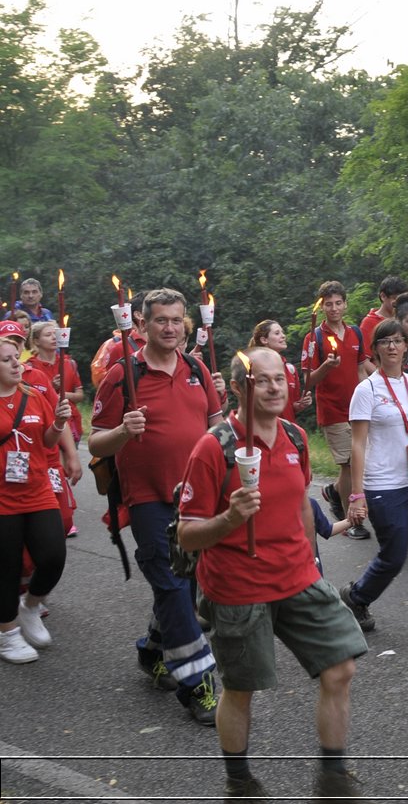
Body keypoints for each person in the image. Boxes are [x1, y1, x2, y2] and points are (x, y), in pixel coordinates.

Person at [176, 348, 369, 800]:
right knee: (241, 689)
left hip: (299, 578)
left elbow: (300, 504)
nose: (273, 387)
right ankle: (239, 781)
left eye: (279, 378)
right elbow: (187, 534)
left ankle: (333, 775)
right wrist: (229, 519)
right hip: (237, 588)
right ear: (240, 388)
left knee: (340, 667)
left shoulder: (296, 438)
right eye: (261, 380)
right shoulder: (214, 448)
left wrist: (312, 562)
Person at [89, 287, 227, 724]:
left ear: (185, 323)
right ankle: (199, 684)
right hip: (147, 498)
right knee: (171, 585)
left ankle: (153, 650)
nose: (169, 327)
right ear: (142, 324)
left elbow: (217, 427)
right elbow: (96, 440)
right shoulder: (121, 374)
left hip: (196, 496)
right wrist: (124, 432)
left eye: (176, 320)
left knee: (186, 585)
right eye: (160, 320)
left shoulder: (197, 369)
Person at [338, 319, 408, 646]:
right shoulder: (367, 390)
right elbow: (357, 444)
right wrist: (356, 494)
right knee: (394, 553)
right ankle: (358, 596)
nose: (392, 346)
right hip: (384, 483)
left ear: (405, 347)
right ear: (375, 349)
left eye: (398, 341)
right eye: (385, 341)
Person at [0, 335, 74, 663]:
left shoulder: (32, 395)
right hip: (2, 499)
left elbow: (47, 438)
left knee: (53, 556)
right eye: (7, 360)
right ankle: (8, 634)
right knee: (6, 567)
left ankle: (30, 605)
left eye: (17, 357)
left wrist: (59, 422)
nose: (18, 364)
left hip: (37, 490)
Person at [302, 281, 373, 539]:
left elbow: (363, 365)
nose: (334, 308)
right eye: (328, 304)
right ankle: (350, 521)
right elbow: (308, 381)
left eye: (338, 303)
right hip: (332, 410)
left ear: (345, 304)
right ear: (322, 307)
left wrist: (388, 383)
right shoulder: (314, 338)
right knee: (350, 463)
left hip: (358, 409)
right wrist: (326, 368)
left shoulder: (355, 332)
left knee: (358, 463)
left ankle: (334, 492)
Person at [23, 320, 83, 536]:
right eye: (48, 334)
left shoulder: (66, 363)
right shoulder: (32, 366)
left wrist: (72, 455)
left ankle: (63, 511)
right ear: (36, 341)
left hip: (56, 435)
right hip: (24, 452)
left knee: (62, 516)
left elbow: (75, 396)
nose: (54, 338)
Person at [249, 320, 310, 420]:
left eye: (282, 332)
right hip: (264, 428)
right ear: (264, 340)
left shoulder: (290, 369)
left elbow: (292, 406)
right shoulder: (254, 368)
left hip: (287, 430)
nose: (283, 336)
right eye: (277, 333)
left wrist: (300, 404)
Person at [359, 276, 408, 355]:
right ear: (383, 296)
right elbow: (364, 359)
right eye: (395, 298)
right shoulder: (369, 322)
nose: (399, 303)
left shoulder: (404, 319)